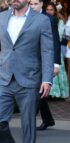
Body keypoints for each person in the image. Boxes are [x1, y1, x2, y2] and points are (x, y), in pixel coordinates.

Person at [0, 0, 54, 143]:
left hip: (29, 77)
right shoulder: (1, 18)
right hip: (4, 77)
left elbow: (47, 51)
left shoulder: (42, 20)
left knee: (28, 125)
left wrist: (47, 79)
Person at [30, 0, 61, 130]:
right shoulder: (26, 18)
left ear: (42, 4)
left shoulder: (49, 19)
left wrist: (56, 64)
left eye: (36, 3)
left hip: (45, 61)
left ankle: (29, 119)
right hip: (31, 62)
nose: (33, 6)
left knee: (38, 92)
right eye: (30, 3)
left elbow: (55, 42)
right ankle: (48, 119)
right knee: (39, 91)